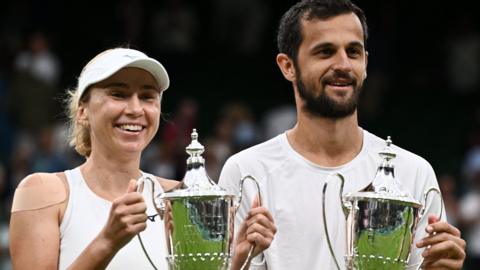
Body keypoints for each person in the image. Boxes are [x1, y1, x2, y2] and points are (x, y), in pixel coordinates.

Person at [218, 1, 466, 269]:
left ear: (366, 63)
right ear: (288, 66)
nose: (343, 64)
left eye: (353, 51)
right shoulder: (247, 172)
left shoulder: (413, 173)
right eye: (325, 52)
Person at [9, 47, 276, 270]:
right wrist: (107, 242)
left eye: (147, 96)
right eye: (118, 93)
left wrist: (239, 257)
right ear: (82, 111)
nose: (135, 109)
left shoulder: (180, 195)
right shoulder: (42, 192)